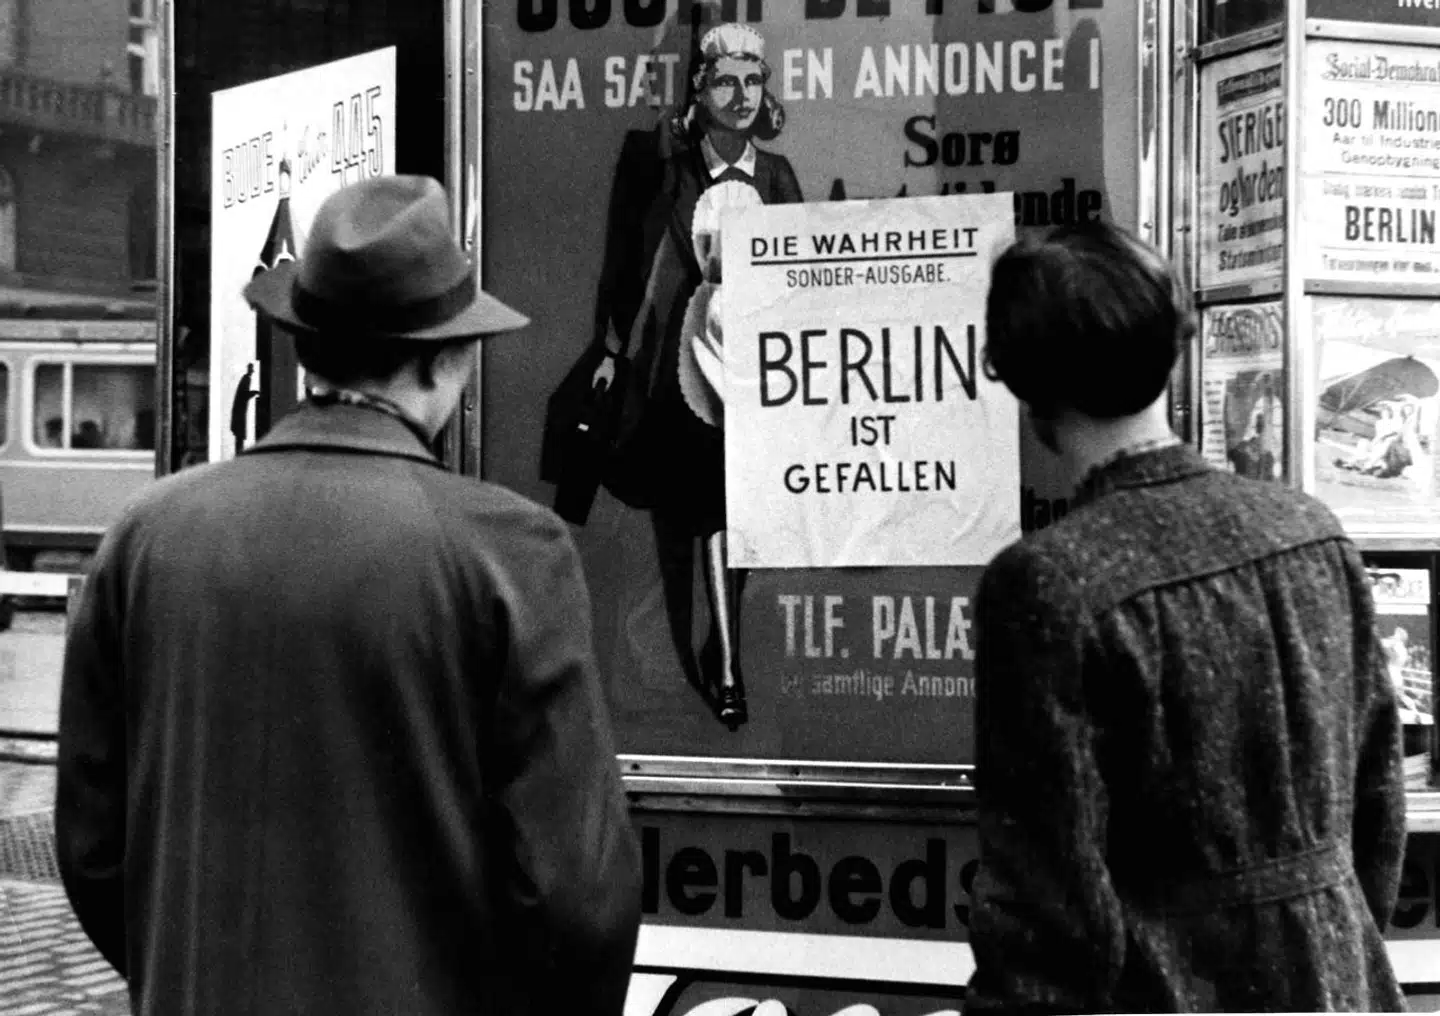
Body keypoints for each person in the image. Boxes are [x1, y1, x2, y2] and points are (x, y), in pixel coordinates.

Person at [56, 176, 643, 1016]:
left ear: (305, 341)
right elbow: (580, 892)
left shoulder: (145, 536)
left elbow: (92, 847)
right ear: (451, 359)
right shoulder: (507, 552)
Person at [966, 222, 1405, 1013]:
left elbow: (1048, 915)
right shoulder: (1312, 533)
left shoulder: (1048, 586)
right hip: (1342, 983)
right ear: (1170, 353)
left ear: (1027, 387)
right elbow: (1377, 806)